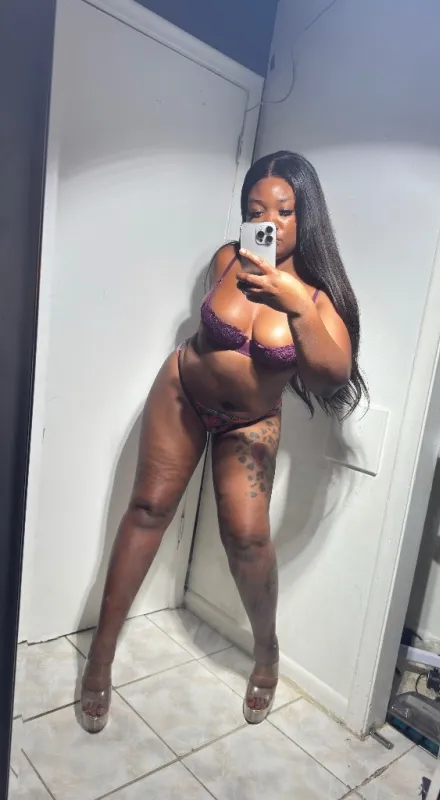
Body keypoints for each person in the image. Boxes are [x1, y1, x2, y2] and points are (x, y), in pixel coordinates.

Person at [80, 150, 368, 732]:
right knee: (147, 510)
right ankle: (100, 659)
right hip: (183, 393)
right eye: (255, 211)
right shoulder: (228, 259)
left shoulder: (318, 298)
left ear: (306, 215)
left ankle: (267, 653)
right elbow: (211, 332)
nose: (269, 223)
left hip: (249, 422)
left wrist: (293, 303)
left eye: (283, 211)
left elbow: (332, 374)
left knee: (248, 540)